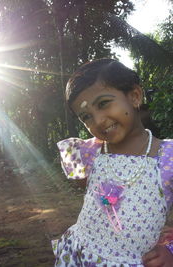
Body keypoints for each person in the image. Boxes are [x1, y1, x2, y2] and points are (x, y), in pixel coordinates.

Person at [52, 58, 173, 267]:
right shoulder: (89, 152)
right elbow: (87, 192)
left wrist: (170, 251)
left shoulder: (167, 158)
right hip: (81, 254)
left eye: (103, 103)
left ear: (135, 96)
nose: (98, 121)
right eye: (86, 116)